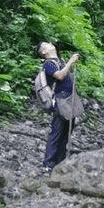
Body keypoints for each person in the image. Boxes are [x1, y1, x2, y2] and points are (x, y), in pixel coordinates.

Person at [38, 40, 80, 173]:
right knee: (57, 131)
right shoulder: (49, 63)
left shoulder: (59, 61)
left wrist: (69, 63)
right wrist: (71, 62)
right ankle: (48, 164)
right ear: (44, 51)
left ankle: (59, 163)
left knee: (66, 132)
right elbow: (60, 76)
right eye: (47, 44)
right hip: (60, 100)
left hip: (69, 100)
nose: (51, 43)